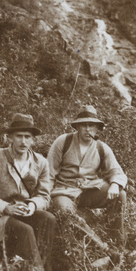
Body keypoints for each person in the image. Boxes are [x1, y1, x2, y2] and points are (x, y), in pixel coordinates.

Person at [0, 113, 55, 271]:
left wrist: (32, 205)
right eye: (19, 136)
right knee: (25, 230)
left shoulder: (41, 162)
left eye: (27, 137)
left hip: (24, 212)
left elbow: (44, 196)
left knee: (48, 219)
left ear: (33, 139)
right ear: (10, 137)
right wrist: (7, 208)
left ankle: (45, 268)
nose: (23, 141)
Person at [47, 105, 127, 251]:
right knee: (66, 212)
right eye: (84, 125)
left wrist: (115, 184)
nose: (88, 129)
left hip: (90, 190)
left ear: (97, 128)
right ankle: (101, 247)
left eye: (91, 125)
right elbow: (48, 173)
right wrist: (44, 196)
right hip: (65, 191)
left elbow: (117, 172)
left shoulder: (101, 148)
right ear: (77, 126)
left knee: (120, 195)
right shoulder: (63, 142)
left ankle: (116, 244)